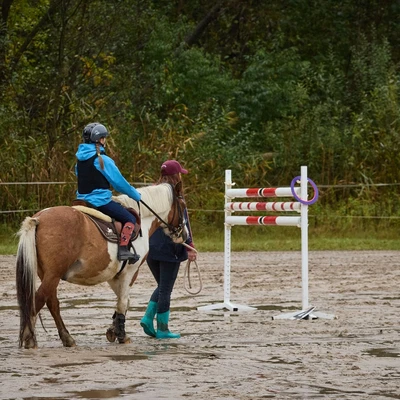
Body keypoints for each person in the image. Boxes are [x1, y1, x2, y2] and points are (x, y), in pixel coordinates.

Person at [140, 160, 197, 339]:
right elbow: (183, 223)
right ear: (176, 176)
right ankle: (162, 328)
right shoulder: (175, 195)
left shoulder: (153, 192)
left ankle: (149, 319)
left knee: (162, 286)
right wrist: (191, 247)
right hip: (170, 248)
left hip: (150, 248)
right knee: (166, 289)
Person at [75, 122, 141, 263]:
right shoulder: (102, 160)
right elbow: (120, 184)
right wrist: (136, 195)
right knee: (130, 219)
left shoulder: (79, 160)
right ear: (100, 140)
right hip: (100, 202)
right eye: (104, 138)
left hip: (81, 200)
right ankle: (123, 249)